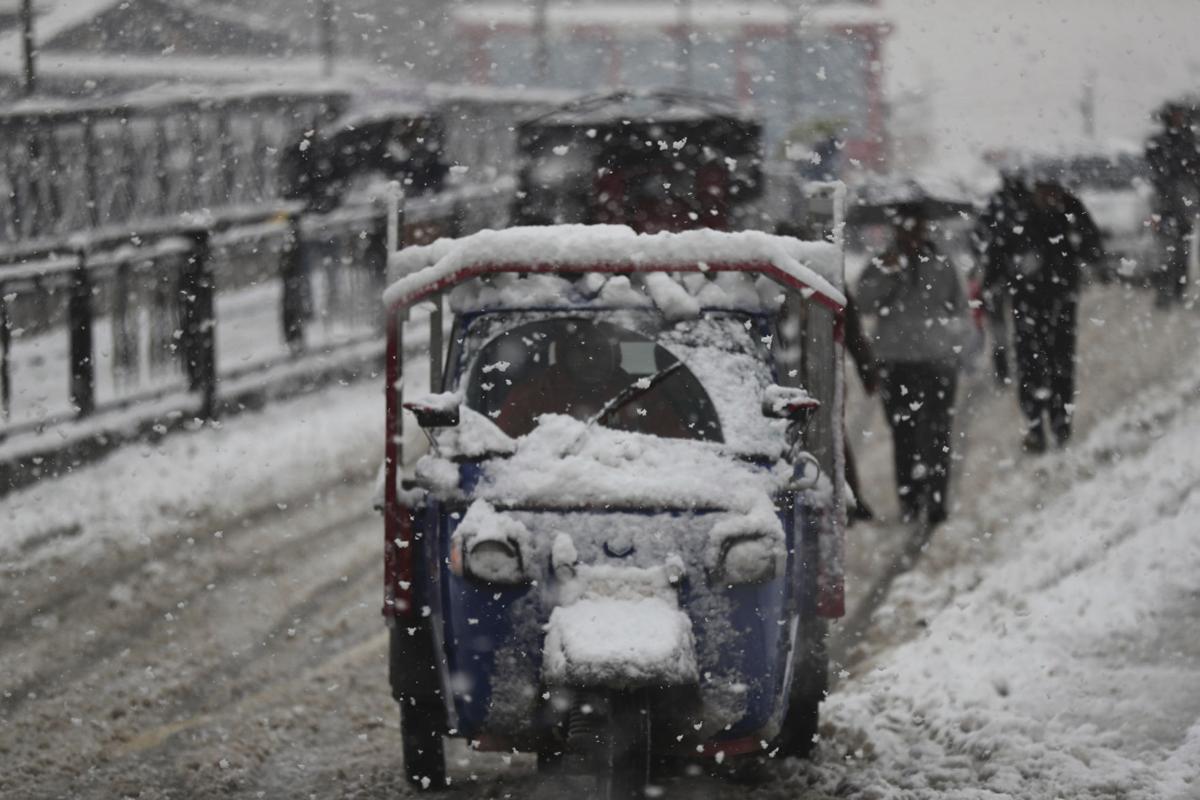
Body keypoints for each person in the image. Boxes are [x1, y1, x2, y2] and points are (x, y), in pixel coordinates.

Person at [856, 207, 969, 526]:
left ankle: (936, 502)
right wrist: (889, 275)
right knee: (903, 434)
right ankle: (910, 500)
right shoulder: (881, 264)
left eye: (917, 227)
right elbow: (863, 303)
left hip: (937, 361)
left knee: (937, 432)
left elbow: (959, 307)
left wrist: (954, 343)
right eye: (904, 228)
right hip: (896, 361)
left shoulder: (942, 264)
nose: (911, 235)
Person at [979, 176, 1103, 452]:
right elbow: (998, 254)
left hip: (1062, 303)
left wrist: (1074, 214)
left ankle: (1061, 425)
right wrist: (998, 279)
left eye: (1054, 190)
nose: (1049, 196)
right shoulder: (1018, 218)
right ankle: (1035, 424)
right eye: (1043, 190)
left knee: (1061, 366)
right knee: (1030, 365)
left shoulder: (1069, 212)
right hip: (1028, 304)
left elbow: (1092, 248)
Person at [1145, 100, 1200, 306]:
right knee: (1165, 249)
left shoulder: (1190, 141)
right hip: (1164, 205)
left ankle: (1177, 288)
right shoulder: (1158, 142)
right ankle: (1164, 290)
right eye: (1175, 115)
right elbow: (1154, 168)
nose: (1178, 118)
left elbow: (1195, 171)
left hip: (1185, 203)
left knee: (1182, 249)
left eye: (1180, 115)